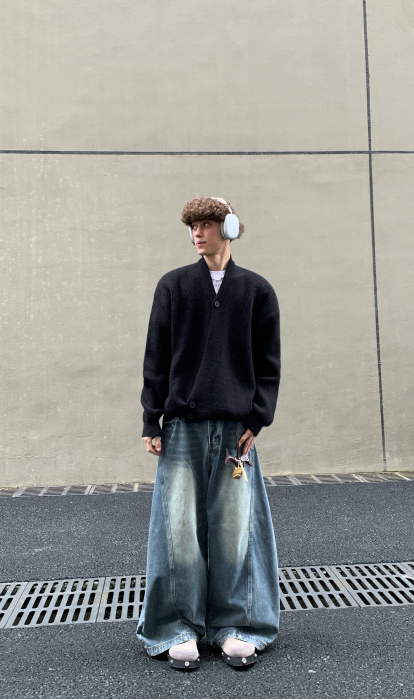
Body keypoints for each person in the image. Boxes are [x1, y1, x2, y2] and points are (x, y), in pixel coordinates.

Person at [136, 196, 281, 671]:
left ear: (230, 227)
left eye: (207, 224)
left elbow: (268, 364)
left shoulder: (256, 291)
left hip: (236, 432)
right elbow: (156, 356)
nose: (198, 233)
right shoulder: (173, 286)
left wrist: (257, 419)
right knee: (178, 530)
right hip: (182, 428)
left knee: (236, 530)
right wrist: (151, 418)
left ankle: (238, 626)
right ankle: (177, 627)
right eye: (192, 226)